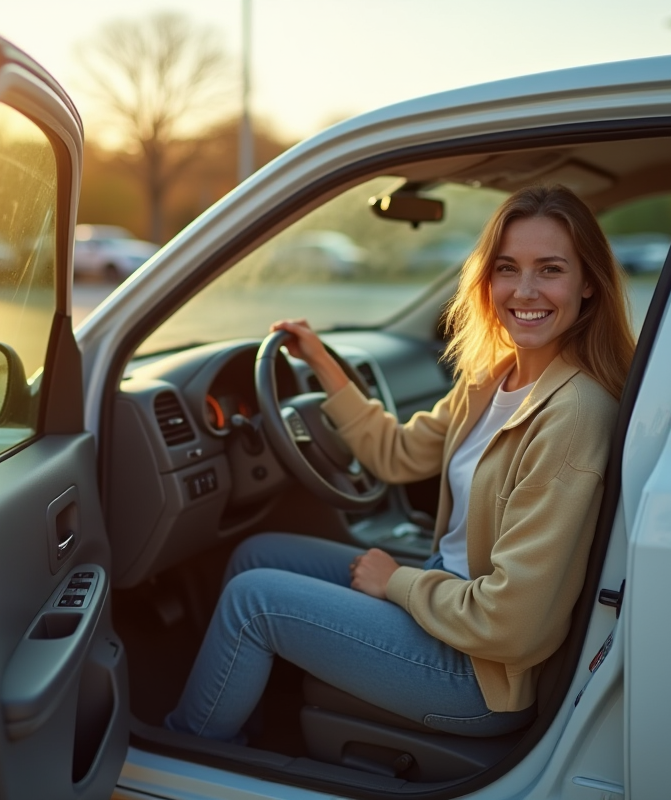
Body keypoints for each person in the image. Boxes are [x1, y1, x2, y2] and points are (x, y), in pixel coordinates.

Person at [164, 184, 636, 743]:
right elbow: (398, 452)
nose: (524, 290)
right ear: (487, 279)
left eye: (550, 269)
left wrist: (398, 583)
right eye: (507, 268)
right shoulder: (494, 377)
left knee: (253, 602)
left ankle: (188, 750)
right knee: (256, 555)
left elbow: (511, 624)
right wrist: (323, 362)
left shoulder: (575, 414)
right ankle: (246, 741)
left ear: (588, 284)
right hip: (448, 598)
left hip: (481, 675)